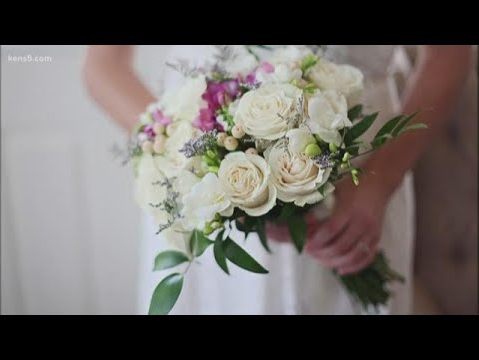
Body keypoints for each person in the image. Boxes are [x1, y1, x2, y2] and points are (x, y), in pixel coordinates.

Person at [84, 45, 473, 314]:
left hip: (363, 185)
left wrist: (377, 183)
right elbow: (103, 67)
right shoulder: (200, 168)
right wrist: (202, 168)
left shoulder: (373, 186)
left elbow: (448, 54)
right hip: (204, 184)